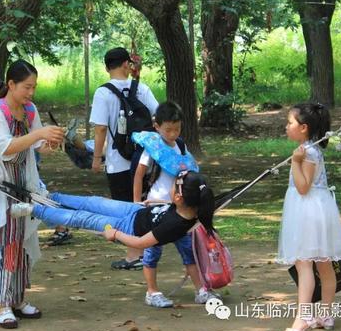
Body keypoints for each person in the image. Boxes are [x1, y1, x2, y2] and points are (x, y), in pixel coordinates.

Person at [0, 60, 64, 329]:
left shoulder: (30, 109)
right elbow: (5, 148)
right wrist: (39, 133)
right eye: (26, 87)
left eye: (34, 87)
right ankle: (1, 302)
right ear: (10, 85)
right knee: (2, 239)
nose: (31, 93)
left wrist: (49, 141)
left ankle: (19, 297)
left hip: (24, 183)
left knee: (22, 238)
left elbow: (36, 146)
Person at [132, 101, 221, 308]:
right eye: (168, 129)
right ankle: (152, 292)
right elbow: (138, 175)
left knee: (188, 250)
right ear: (157, 126)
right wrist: (136, 202)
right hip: (156, 208)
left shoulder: (181, 146)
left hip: (180, 209)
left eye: (177, 129)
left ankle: (201, 290)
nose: (173, 134)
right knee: (153, 251)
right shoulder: (152, 148)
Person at [276, 103, 341, 331]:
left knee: (304, 262)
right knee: (323, 263)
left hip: (308, 209)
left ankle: (303, 316)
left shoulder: (307, 152)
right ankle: (325, 314)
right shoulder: (309, 149)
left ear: (304, 127)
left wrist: (295, 162)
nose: (286, 127)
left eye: (290, 123)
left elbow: (304, 187)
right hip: (319, 208)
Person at [11, 171, 215, 252]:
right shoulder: (187, 208)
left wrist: (115, 234)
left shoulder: (176, 225)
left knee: (80, 218)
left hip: (125, 228)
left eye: (174, 185)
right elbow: (170, 210)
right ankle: (49, 196)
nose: (170, 187)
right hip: (134, 211)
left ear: (179, 197)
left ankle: (33, 209)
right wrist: (158, 202)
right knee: (91, 202)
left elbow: (141, 243)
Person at [90, 47, 159, 270]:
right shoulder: (142, 89)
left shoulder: (103, 93)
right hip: (142, 159)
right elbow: (158, 116)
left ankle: (134, 255)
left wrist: (96, 158)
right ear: (125, 64)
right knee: (141, 204)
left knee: (125, 208)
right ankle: (146, 250)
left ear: (107, 66)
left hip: (117, 161)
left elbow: (100, 129)